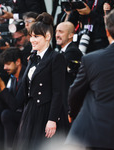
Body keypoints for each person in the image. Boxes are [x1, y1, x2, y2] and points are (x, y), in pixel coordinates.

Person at [65, 9, 114, 149]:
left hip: (95, 134)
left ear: (107, 31)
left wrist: (72, 113)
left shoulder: (91, 60)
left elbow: (75, 93)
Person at [14, 12, 68, 150]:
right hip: (31, 111)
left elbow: (58, 92)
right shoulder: (32, 57)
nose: (32, 40)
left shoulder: (56, 58)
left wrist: (52, 119)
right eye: (31, 36)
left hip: (47, 112)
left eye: (36, 36)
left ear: (48, 36)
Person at [0, 47, 26, 150]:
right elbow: (8, 100)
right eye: (4, 64)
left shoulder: (26, 76)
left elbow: (15, 105)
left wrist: (2, 86)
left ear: (17, 62)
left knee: (6, 114)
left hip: (27, 114)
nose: (4, 67)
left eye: (8, 64)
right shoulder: (13, 77)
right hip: (16, 111)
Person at [55, 21, 83, 123]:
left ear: (71, 35)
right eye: (56, 31)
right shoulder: (61, 51)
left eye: (61, 32)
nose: (57, 35)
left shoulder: (72, 51)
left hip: (68, 103)